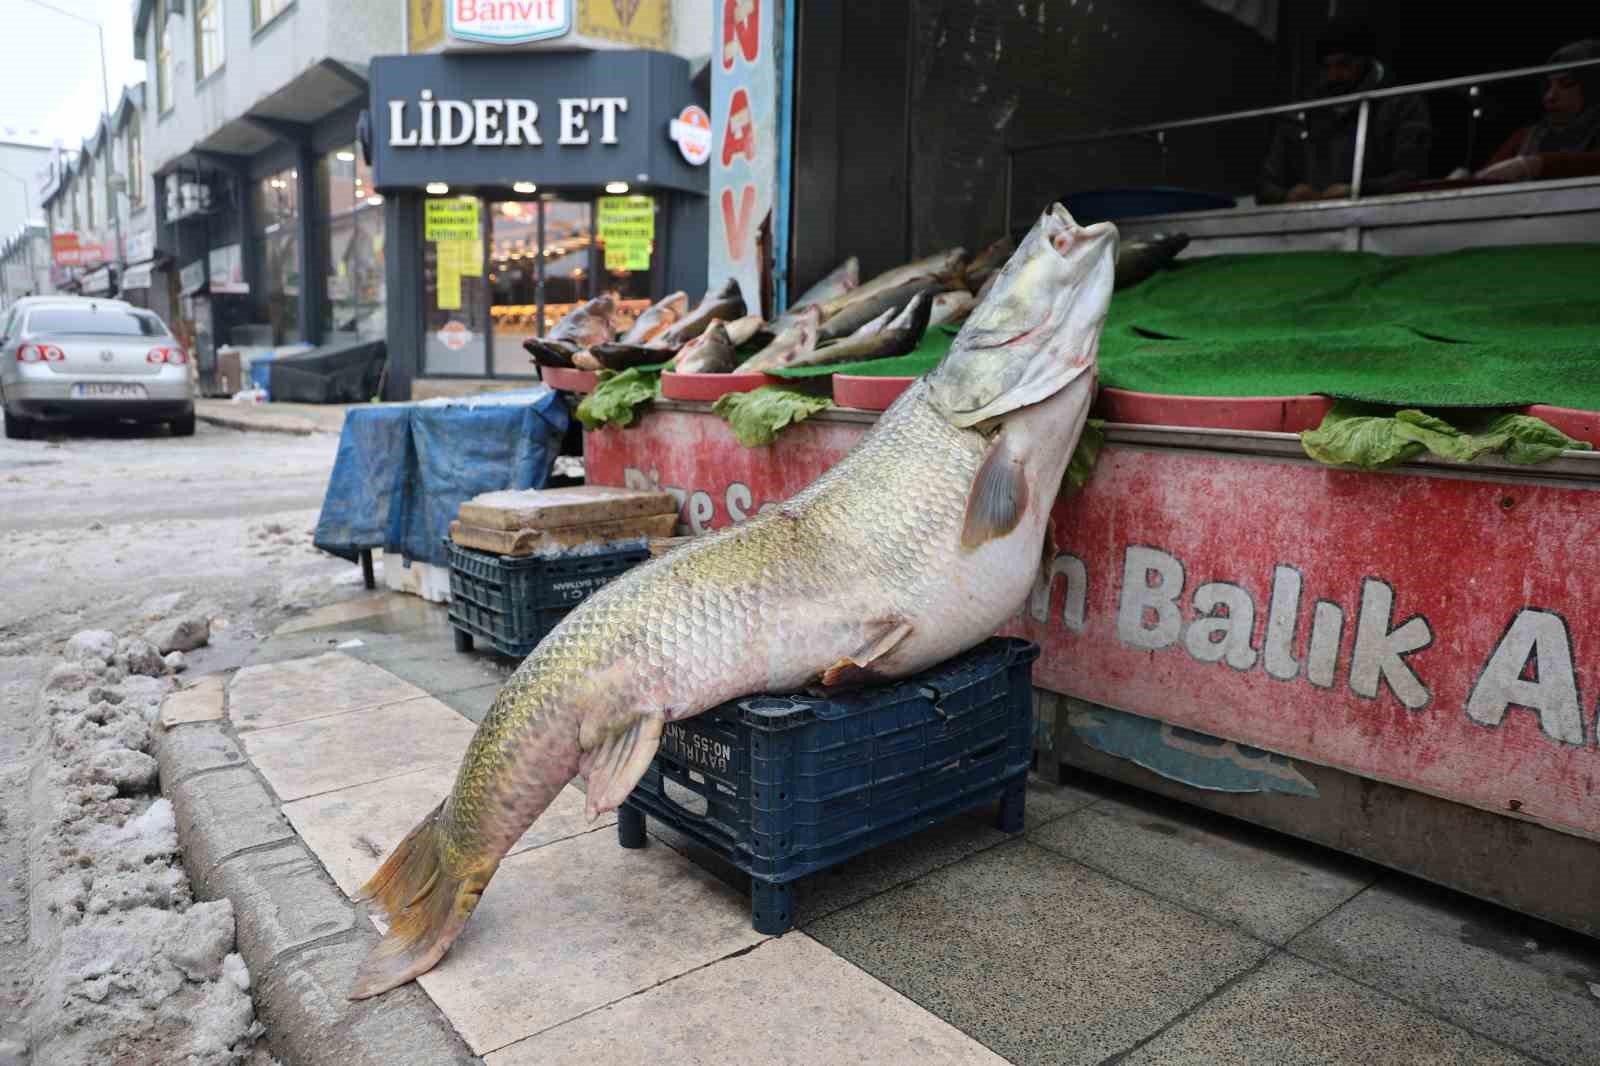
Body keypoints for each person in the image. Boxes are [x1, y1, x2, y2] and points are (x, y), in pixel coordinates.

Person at [1259, 17, 1432, 204]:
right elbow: (1265, 185)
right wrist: (1286, 195)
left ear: (1365, 60)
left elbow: (1412, 176)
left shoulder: (1401, 104)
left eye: (1344, 64)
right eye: (1327, 67)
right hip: (1309, 217)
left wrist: (1358, 190)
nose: (1334, 75)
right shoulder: (1304, 111)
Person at [1476, 40, 1600, 183]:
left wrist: (1538, 165)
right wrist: (1464, 180)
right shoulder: (1526, 137)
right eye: (1548, 86)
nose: (1550, 96)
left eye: (1565, 83)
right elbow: (1483, 177)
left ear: (1591, 88)